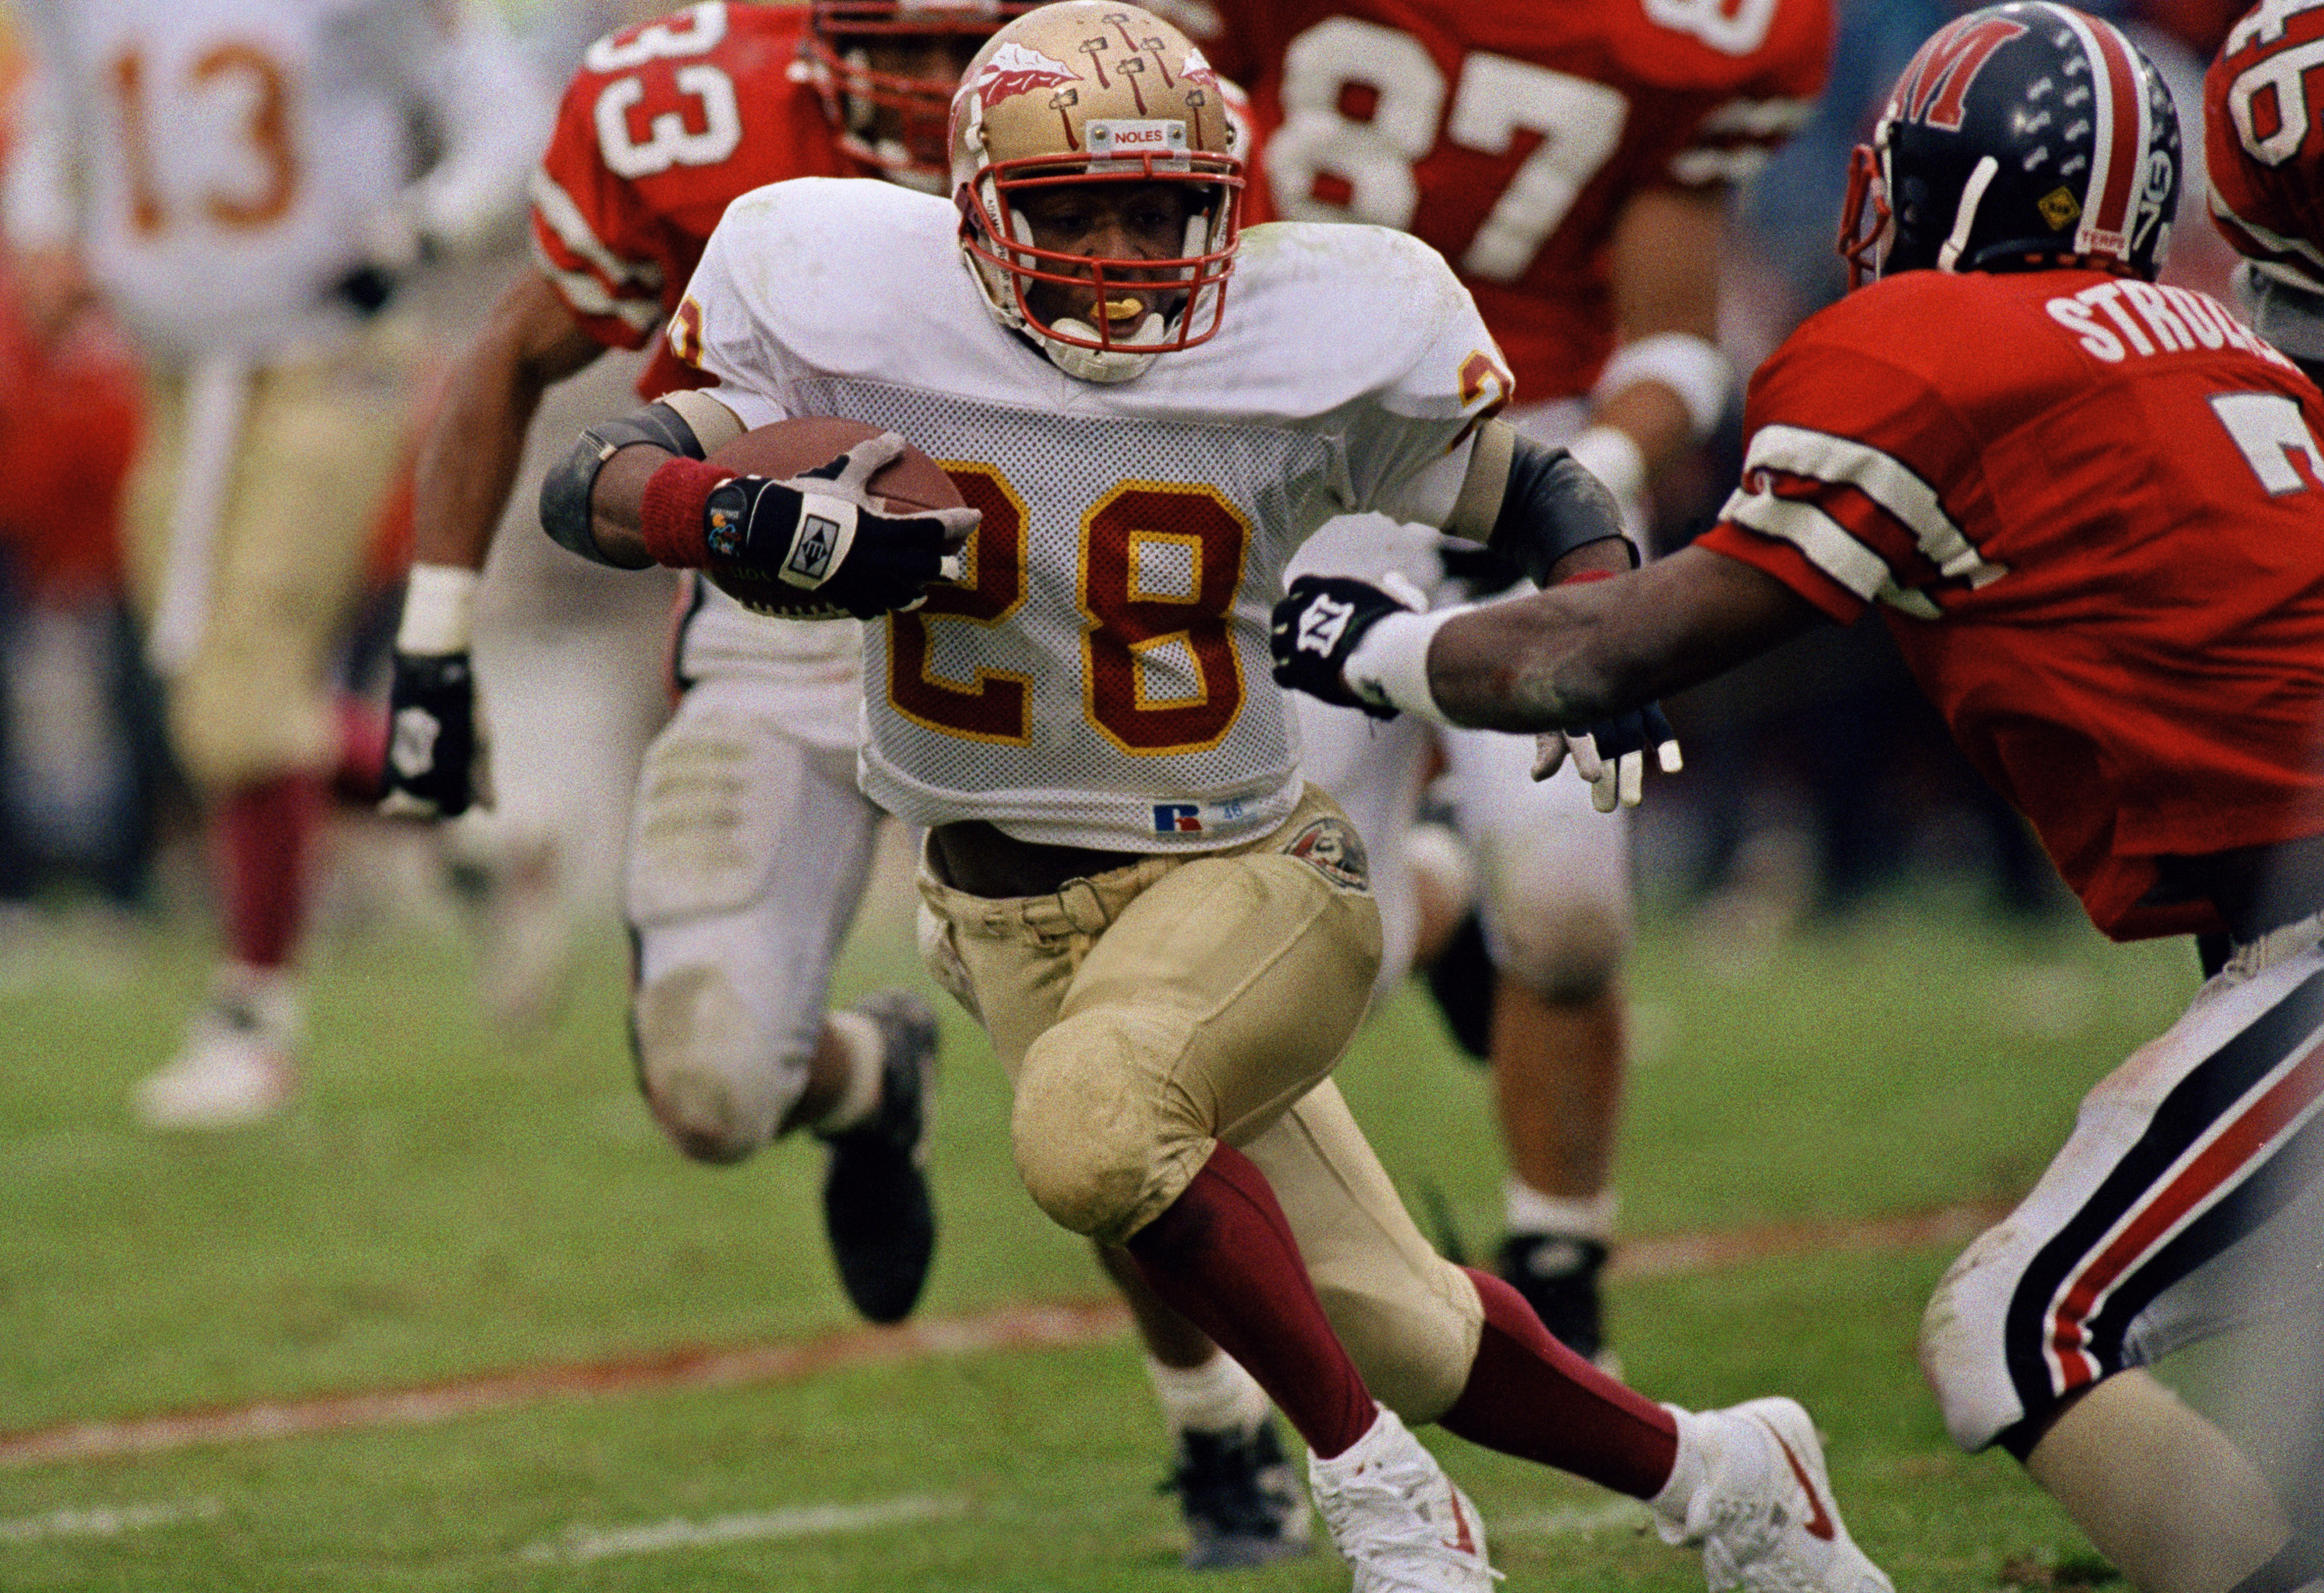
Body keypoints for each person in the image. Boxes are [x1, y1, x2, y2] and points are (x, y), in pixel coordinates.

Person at [547, 5, 1896, 1588]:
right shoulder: (838, 281)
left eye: (1159, 210)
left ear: (1227, 205)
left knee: (1090, 1134)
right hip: (999, 911)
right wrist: (731, 518)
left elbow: (1533, 483)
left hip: (1247, 874)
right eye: (1071, 210)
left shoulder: (1323, 319)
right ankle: (1733, 1477)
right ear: (976, 201)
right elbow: (599, 478)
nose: (1120, 252)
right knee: (1410, 1319)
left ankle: (1381, 1495)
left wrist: (1598, 620)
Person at [1273, 5, 2324, 1587]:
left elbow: (1616, 647)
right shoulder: (2233, 345)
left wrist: (1377, 644)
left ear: (1937, 181)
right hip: (2279, 935)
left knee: (2017, 1326)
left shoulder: (1925, 348)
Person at [378, 0, 1311, 1564]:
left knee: (1113, 1085)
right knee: (711, 1086)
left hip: (1055, 636)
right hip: (787, 638)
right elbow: (527, 358)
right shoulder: (690, 113)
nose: (941, 87)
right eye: (911, 48)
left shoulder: (1134, 105)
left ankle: (1221, 1428)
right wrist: (435, 635)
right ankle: (869, 1083)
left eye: (972, 48)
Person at [1141, 0, 1830, 1364]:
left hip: (1532, 448)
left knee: (1573, 914)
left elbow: (1672, 341)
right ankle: (1432, 898)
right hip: (1292, 446)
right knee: (1296, 964)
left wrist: (1578, 504)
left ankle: (1561, 1270)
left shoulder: (1689, 34)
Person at [1, 0, 549, 1128]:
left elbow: (503, 109)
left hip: (324, 359)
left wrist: (423, 228)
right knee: (226, 694)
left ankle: (254, 1020)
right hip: (169, 375)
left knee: (242, 701)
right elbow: (60, 114)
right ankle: (460, 812)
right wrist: (47, 235)